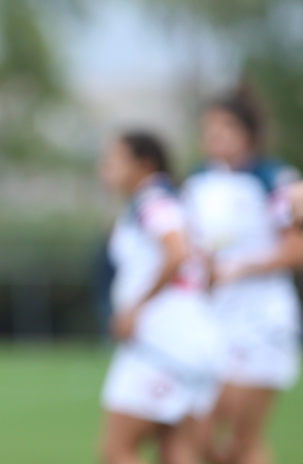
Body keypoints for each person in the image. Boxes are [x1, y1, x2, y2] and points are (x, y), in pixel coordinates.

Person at [182, 88, 303, 464]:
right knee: (196, 436)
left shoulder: (273, 179)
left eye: (225, 127)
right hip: (212, 320)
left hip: (261, 322)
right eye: (209, 127)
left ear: (248, 132)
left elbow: (296, 249)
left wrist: (241, 266)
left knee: (240, 437)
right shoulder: (198, 181)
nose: (215, 135)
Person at [97, 132, 223, 464]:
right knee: (178, 452)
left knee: (116, 451)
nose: (105, 169)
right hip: (193, 338)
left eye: (113, 161)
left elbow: (176, 251)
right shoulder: (177, 199)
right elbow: (205, 265)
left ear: (145, 164)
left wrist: (135, 307)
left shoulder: (153, 201)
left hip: (161, 344)